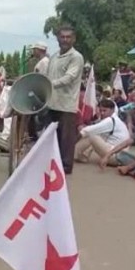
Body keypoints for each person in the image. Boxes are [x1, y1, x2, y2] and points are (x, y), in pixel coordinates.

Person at [44, 26, 85, 174]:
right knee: (49, 137)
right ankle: (50, 164)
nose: (65, 40)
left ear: (73, 39)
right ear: (58, 38)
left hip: (66, 105)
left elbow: (70, 77)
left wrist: (50, 84)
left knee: (66, 140)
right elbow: (48, 76)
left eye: (68, 37)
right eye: (62, 37)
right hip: (51, 103)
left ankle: (65, 169)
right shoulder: (54, 57)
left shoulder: (76, 57)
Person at [75, 99, 130, 165]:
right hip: (119, 155)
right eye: (101, 110)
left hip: (116, 156)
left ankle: (74, 154)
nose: (102, 113)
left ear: (112, 110)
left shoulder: (110, 120)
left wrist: (73, 142)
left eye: (105, 110)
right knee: (96, 135)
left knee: (91, 136)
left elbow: (87, 130)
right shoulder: (115, 119)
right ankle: (82, 156)